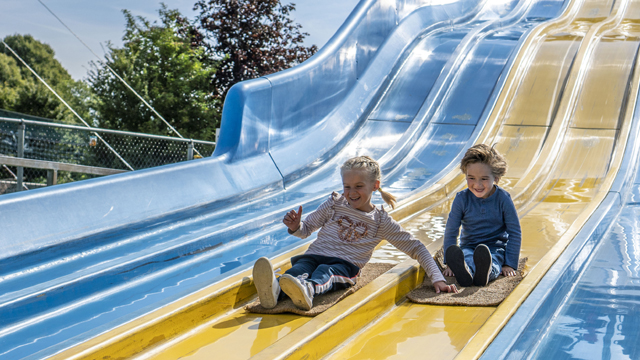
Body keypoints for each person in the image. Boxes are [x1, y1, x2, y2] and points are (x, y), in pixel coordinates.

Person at [253, 155, 457, 311]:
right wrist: (295, 226)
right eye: (347, 186)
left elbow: (416, 248)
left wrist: (437, 278)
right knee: (300, 268)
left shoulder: (380, 221)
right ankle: (276, 289)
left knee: (326, 271)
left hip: (345, 265)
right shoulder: (334, 203)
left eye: (359, 186)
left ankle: (309, 289)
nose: (351, 192)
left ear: (375, 186)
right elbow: (306, 230)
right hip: (314, 255)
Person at [443, 144, 522, 287]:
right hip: (469, 246)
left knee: (495, 260)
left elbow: (514, 232)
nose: (477, 184)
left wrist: (510, 264)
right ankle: (466, 272)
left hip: (495, 247)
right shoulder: (462, 199)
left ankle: (487, 272)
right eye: (471, 178)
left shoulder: (503, 199)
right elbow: (451, 230)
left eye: (484, 179)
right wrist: (449, 262)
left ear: (496, 178)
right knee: (466, 256)